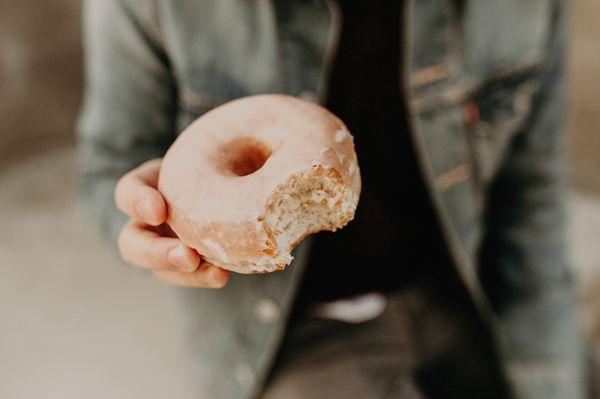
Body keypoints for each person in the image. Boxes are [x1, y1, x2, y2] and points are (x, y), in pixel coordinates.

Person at [77, 0, 585, 398]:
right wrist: (150, 227)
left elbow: (531, 190)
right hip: (294, 333)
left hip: (462, 288)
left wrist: (549, 375)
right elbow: (106, 169)